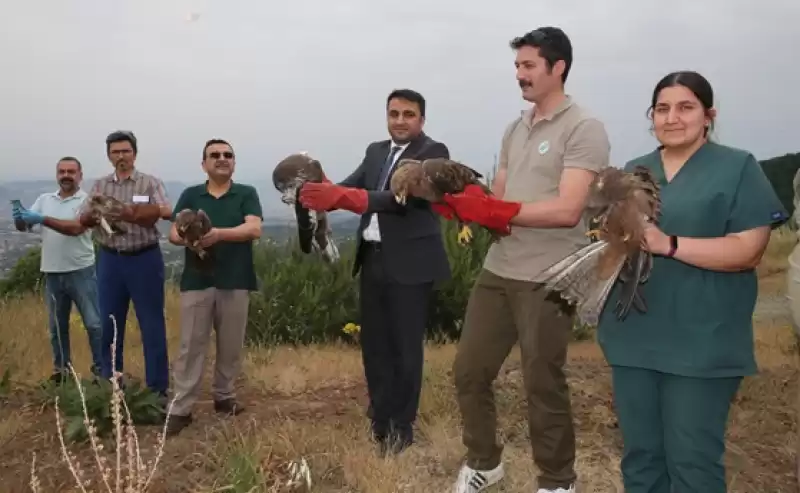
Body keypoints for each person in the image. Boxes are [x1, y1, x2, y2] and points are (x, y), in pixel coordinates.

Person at [595, 71, 788, 492]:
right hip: (633, 336)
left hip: (702, 341)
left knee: (692, 462)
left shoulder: (737, 167)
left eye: (685, 107)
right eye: (662, 108)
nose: (672, 117)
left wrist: (669, 244)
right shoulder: (634, 171)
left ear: (708, 115)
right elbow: (613, 251)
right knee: (641, 459)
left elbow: (747, 250)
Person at [439, 27, 611, 493]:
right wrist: (462, 204)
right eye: (517, 66)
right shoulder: (515, 127)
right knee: (469, 371)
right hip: (500, 267)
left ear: (558, 68)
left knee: (542, 381)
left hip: (550, 275)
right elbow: (497, 195)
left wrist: (500, 211)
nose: (520, 75)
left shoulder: (584, 127)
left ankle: (557, 481)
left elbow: (568, 209)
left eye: (529, 65)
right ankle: (484, 463)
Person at [299, 88, 451, 455]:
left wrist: (340, 198)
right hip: (373, 260)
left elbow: (402, 200)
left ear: (422, 120)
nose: (400, 120)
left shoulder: (433, 154)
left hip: (411, 264)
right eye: (394, 113)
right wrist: (311, 186)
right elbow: (346, 188)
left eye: (408, 114)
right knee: (375, 347)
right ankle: (380, 419)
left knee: (405, 348)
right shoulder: (375, 151)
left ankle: (402, 427)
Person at [164, 139, 263, 436]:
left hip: (236, 278)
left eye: (228, 155)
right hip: (197, 279)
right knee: (191, 346)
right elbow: (172, 233)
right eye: (215, 155)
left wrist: (217, 234)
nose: (222, 159)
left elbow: (254, 228)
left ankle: (224, 396)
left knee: (230, 345)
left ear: (234, 161)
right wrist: (192, 239)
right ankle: (181, 408)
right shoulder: (190, 194)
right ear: (203, 163)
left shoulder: (246, 193)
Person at [79, 130, 173, 402]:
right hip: (110, 259)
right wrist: (92, 215)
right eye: (116, 152)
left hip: (144, 258)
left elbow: (165, 210)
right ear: (109, 156)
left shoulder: (149, 183)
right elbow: (83, 217)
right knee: (109, 325)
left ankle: (157, 391)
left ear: (134, 154)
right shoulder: (99, 186)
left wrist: (131, 212)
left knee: (152, 324)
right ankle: (112, 387)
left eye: (126, 151)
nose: (121, 156)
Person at [12, 157, 103, 383]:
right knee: (57, 327)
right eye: (62, 171)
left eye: (71, 172)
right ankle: (62, 373)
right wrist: (20, 218)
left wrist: (42, 218)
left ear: (80, 175)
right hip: (52, 271)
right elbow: (25, 226)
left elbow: (76, 229)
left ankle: (102, 372)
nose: (66, 176)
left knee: (94, 323)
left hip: (81, 270)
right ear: (56, 175)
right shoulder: (44, 199)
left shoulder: (88, 202)